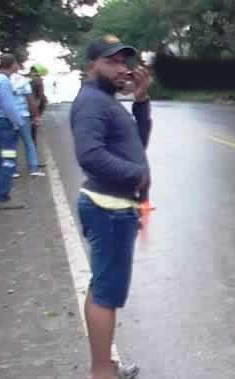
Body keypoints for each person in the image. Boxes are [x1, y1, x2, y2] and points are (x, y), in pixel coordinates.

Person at [71, 34, 152, 379]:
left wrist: (141, 100)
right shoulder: (92, 102)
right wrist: (137, 175)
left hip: (114, 207)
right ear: (92, 66)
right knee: (107, 293)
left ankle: (104, 365)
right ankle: (102, 372)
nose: (122, 69)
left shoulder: (105, 100)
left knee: (103, 286)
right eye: (112, 61)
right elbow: (89, 154)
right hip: (108, 209)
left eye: (124, 61)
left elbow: (135, 142)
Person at [0, 53, 27, 209]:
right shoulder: (4, 81)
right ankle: (2, 197)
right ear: (12, 64)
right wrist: (19, 123)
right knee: (8, 160)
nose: (18, 67)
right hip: (5, 124)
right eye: (17, 64)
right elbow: (9, 106)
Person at [11, 65, 46, 178]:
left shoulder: (6, 81)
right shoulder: (28, 82)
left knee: (13, 143)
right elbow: (34, 100)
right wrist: (35, 116)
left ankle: (13, 170)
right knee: (29, 142)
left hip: (12, 115)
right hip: (25, 115)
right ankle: (33, 168)